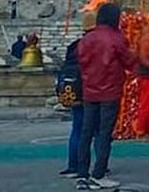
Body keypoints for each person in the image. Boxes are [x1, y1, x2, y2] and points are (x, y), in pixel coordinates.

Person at [76, 2, 137, 190]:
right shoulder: (116, 38)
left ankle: (82, 173)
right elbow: (128, 61)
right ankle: (99, 173)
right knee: (104, 134)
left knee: (86, 132)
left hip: (89, 90)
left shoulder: (86, 39)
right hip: (110, 91)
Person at [59, 10, 98, 179]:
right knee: (97, 130)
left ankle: (73, 165)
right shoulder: (95, 44)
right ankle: (99, 166)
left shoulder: (74, 46)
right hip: (91, 91)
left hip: (74, 90)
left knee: (77, 129)